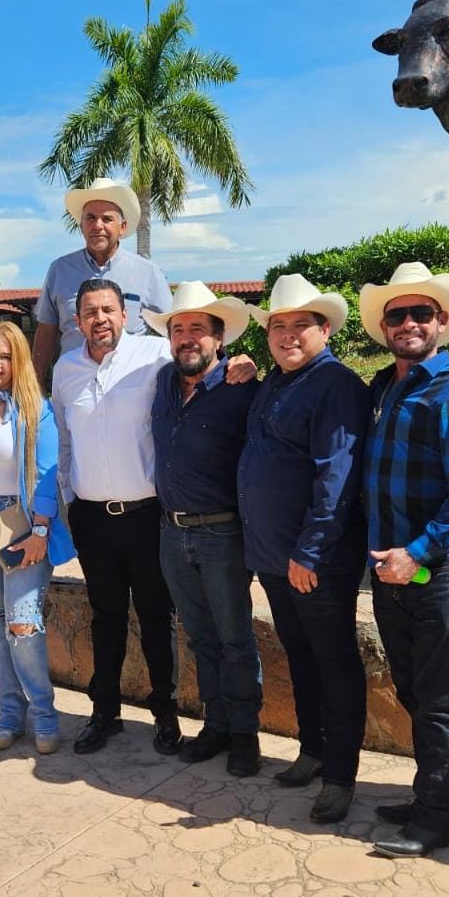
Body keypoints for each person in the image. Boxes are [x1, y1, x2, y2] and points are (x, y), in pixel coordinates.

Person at [357, 264, 449, 860]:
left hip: (435, 570)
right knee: (414, 687)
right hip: (388, 569)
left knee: (434, 693)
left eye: (421, 314)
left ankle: (437, 816)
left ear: (442, 322)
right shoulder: (382, 387)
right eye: (397, 315)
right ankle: (444, 796)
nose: (409, 323)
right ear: (383, 326)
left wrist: (415, 552)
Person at [237, 274, 371, 824]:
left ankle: (340, 776)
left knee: (335, 664)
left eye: (300, 325)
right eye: (278, 326)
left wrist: (309, 553)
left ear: (325, 329)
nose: (288, 335)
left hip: (312, 563)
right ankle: (313, 752)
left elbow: (335, 478)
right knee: (302, 659)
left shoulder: (335, 384)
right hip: (274, 559)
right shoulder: (274, 381)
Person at [52, 277, 184, 756]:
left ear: (124, 315)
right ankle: (104, 712)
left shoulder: (154, 356)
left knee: (156, 616)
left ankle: (165, 714)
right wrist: (69, 498)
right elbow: (65, 441)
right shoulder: (65, 369)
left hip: (148, 516)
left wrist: (240, 365)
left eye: (108, 309)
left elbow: (200, 370)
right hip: (92, 518)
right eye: (90, 312)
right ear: (77, 320)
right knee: (104, 617)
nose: (99, 319)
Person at [146, 281, 263, 777]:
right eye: (179, 329)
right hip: (172, 534)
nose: (187, 337)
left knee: (236, 638)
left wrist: (255, 363)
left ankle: (244, 733)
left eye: (198, 328)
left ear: (220, 339)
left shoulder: (242, 390)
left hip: (223, 535)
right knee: (200, 638)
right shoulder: (162, 385)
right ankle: (216, 724)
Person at [0, 321, 75, 755]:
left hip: (19, 523)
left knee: (23, 623)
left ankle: (43, 713)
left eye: (5, 356)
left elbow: (46, 473)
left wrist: (41, 529)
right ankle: (8, 713)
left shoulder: (33, 408)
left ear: (17, 361)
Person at [32, 178, 173, 380]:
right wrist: (34, 385)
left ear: (122, 227)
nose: (97, 225)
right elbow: (46, 331)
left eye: (107, 219)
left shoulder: (148, 273)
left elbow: (173, 328)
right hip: (73, 384)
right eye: (90, 218)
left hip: (130, 385)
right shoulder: (59, 270)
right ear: (81, 226)